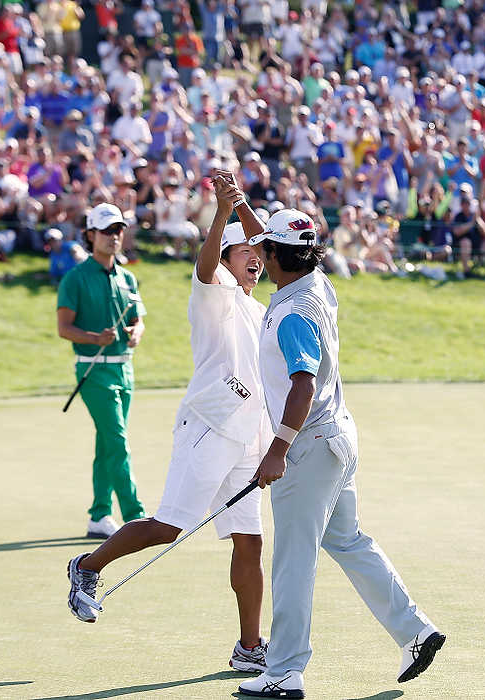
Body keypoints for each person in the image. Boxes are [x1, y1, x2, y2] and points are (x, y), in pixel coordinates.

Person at [229, 195, 445, 698]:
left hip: (308, 448)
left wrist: (278, 449)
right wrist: (240, 205)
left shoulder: (292, 315)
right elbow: (274, 236)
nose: (259, 256)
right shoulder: (316, 283)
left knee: (293, 562)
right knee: (348, 541)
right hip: (339, 438)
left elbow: (301, 383)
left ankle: (284, 670)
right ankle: (416, 631)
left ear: (281, 256)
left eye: (266, 249)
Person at [66, 178, 270, 673]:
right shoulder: (212, 289)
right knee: (168, 526)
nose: (255, 258)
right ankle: (86, 567)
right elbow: (205, 264)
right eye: (244, 252)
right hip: (206, 425)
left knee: (251, 540)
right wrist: (224, 213)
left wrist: (243, 210)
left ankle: (249, 646)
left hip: (247, 437)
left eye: (257, 252)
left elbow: (266, 245)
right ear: (225, 256)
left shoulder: (262, 307)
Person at [57, 203, 147, 538]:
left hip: (125, 370)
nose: (114, 236)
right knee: (117, 441)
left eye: (118, 230)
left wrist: (135, 333)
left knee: (107, 444)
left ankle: (99, 514)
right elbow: (64, 328)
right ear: (91, 234)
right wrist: (95, 338)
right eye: (107, 231)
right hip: (93, 372)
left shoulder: (127, 277)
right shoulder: (75, 278)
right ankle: (135, 514)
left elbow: (138, 320)